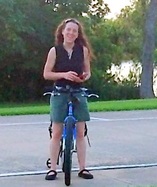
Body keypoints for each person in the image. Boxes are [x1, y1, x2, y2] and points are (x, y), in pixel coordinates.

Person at [43, 18, 94, 180]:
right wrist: (64, 75)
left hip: (78, 92)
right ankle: (52, 168)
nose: (71, 33)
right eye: (69, 30)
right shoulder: (55, 51)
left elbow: (88, 71)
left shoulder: (83, 50)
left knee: (80, 131)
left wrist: (83, 77)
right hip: (60, 92)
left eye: (74, 31)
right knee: (56, 132)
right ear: (63, 32)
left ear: (78, 34)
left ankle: (82, 168)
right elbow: (47, 74)